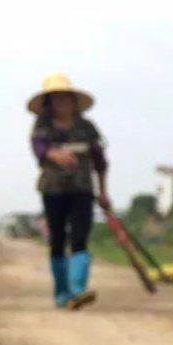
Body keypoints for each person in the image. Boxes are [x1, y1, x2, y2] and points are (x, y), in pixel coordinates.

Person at [28, 73, 111, 309]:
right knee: (57, 239)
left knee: (79, 237)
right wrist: (56, 154)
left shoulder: (87, 128)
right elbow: (40, 148)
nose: (61, 103)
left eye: (65, 98)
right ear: (48, 103)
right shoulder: (42, 126)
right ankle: (62, 293)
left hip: (82, 189)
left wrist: (103, 193)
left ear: (74, 101)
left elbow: (100, 162)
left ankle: (78, 290)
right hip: (53, 190)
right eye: (56, 99)